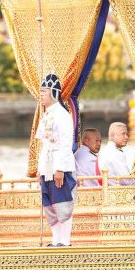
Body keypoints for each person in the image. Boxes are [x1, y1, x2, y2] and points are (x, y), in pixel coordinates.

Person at [35, 73, 77, 247]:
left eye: (44, 91)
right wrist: (40, 168)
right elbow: (44, 144)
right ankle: (56, 239)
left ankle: (65, 241)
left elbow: (67, 143)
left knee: (62, 202)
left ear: (53, 92)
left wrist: (60, 168)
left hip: (60, 165)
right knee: (49, 203)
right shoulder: (46, 115)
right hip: (47, 166)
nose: (41, 95)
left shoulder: (62, 115)